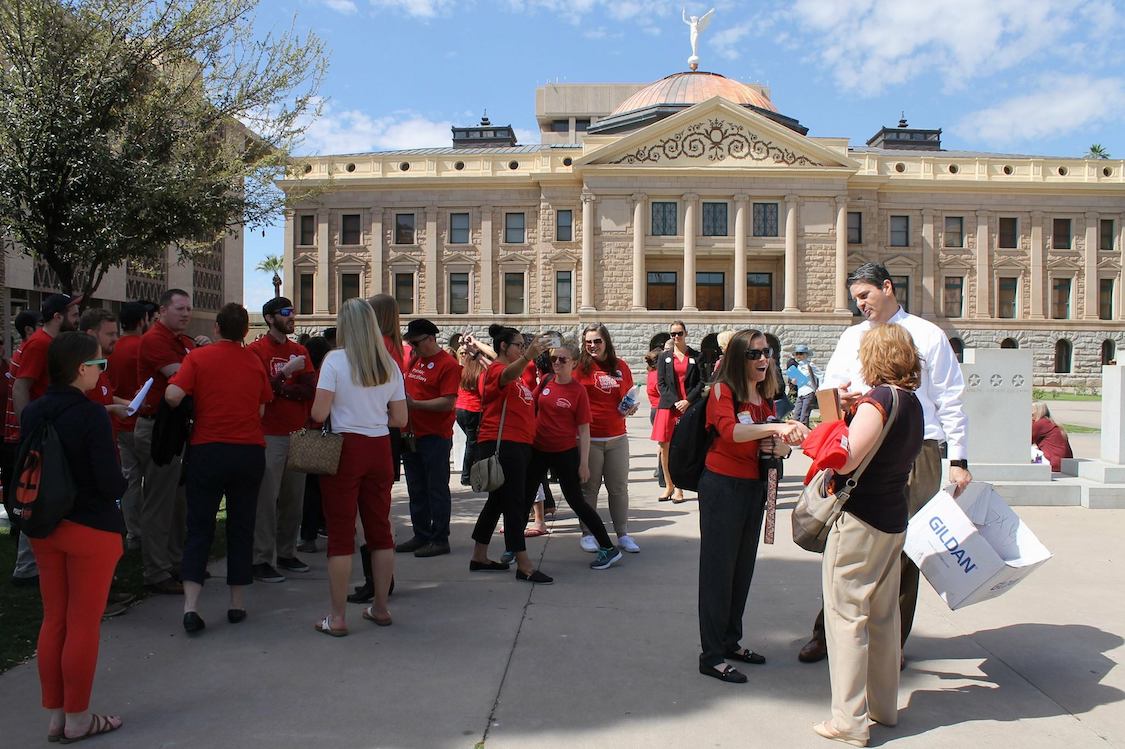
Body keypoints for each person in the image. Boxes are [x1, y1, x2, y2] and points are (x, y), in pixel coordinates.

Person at [799, 262, 971, 665]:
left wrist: (959, 459)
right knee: (846, 542)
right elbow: (827, 392)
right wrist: (835, 407)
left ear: (888, 288)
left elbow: (951, 399)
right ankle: (828, 633)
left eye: (865, 295)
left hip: (917, 450)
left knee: (907, 548)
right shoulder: (852, 337)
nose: (861, 305)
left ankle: (892, 642)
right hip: (861, 446)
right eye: (855, 299)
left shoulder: (927, 335)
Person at [813, 323, 924, 747]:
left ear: (873, 358)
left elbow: (843, 461)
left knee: (846, 618)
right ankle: (883, 707)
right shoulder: (910, 401)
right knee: (883, 616)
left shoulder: (878, 401)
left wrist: (836, 418)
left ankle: (849, 720)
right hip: (894, 518)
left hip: (860, 520)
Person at [23, 332, 127, 743]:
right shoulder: (91, 415)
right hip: (90, 527)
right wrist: (122, 485)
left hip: (46, 526)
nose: (102, 370)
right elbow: (107, 481)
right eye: (100, 364)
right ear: (82, 368)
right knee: (83, 623)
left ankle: (57, 714)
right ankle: (79, 717)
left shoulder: (34, 412)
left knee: (55, 619)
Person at [697, 330, 809, 684]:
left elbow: (768, 440)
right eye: (754, 354)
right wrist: (774, 428)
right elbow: (731, 433)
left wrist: (783, 446)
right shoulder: (722, 391)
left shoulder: (762, 396)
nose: (763, 360)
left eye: (766, 353)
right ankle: (711, 655)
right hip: (722, 488)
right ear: (736, 359)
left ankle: (731, 641)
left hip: (752, 488)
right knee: (718, 573)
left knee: (741, 569)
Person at [165, 303, 272, 633]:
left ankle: (191, 606)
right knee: (242, 526)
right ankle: (236, 602)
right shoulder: (254, 362)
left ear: (216, 328)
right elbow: (262, 409)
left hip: (207, 449)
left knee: (200, 527)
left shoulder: (198, 358)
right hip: (248, 451)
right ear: (244, 332)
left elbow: (172, 395)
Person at [310, 298, 406, 636]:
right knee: (380, 531)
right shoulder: (389, 365)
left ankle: (336, 617)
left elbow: (319, 414)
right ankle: (380, 607)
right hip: (379, 447)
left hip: (345, 448)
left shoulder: (334, 361)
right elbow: (400, 418)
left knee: (340, 534)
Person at [135, 289, 210, 595]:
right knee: (159, 503)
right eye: (180, 308)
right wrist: (203, 358)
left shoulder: (183, 341)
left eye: (189, 308)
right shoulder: (155, 340)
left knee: (177, 502)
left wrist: (200, 354)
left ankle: (176, 561)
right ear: (162, 311)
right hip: (157, 429)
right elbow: (182, 378)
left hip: (175, 429)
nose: (186, 313)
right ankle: (155, 570)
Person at [468, 324, 554, 584]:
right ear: (504, 346)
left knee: (497, 502)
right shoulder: (497, 371)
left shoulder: (515, 374)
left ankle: (479, 556)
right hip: (504, 444)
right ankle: (524, 565)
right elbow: (505, 376)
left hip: (516, 444)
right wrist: (529, 356)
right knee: (515, 503)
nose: (522, 348)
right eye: (518, 344)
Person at [528, 341, 623, 570]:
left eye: (562, 359)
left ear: (574, 362)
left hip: (564, 452)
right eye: (553, 359)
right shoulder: (547, 381)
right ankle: (513, 548)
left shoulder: (578, 391)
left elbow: (583, 429)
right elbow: (531, 403)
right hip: (539, 450)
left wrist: (583, 463)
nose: (557, 363)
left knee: (576, 502)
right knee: (524, 498)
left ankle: (608, 548)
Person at [9, 294, 81, 588]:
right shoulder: (40, 344)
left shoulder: (50, 344)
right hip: (43, 433)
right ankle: (26, 568)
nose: (78, 317)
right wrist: (31, 429)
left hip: (51, 430)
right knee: (39, 497)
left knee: (46, 496)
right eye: (74, 313)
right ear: (57, 317)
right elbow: (21, 386)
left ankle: (37, 563)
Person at [247, 297, 316, 583]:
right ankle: (261, 558)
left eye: (292, 311)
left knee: (293, 499)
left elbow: (309, 388)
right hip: (269, 434)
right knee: (266, 499)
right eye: (285, 313)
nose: (291, 317)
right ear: (269, 318)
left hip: (297, 432)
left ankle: (286, 552)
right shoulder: (256, 351)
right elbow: (260, 391)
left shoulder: (299, 350)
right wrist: (287, 377)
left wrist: (282, 388)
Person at [397, 318, 460, 558]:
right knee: (416, 488)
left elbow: (448, 401)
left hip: (435, 436)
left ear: (431, 339)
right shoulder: (416, 360)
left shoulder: (447, 364)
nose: (413, 347)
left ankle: (440, 538)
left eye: (416, 342)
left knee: (436, 489)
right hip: (412, 434)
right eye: (411, 343)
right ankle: (421, 534)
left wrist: (416, 404)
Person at [575, 324, 640, 553]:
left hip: (617, 437)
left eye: (597, 341)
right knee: (589, 489)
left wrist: (631, 406)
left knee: (619, 488)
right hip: (590, 439)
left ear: (606, 342)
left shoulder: (620, 366)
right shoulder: (579, 368)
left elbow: (628, 394)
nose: (592, 346)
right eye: (588, 342)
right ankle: (587, 533)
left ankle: (622, 534)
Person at [107, 302, 149, 548]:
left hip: (119, 421)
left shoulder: (110, 350)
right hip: (142, 422)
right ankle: (150, 529)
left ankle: (134, 532)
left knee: (131, 480)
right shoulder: (144, 348)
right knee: (153, 481)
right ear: (143, 320)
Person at [653, 320, 704, 503]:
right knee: (664, 447)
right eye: (673, 334)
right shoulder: (664, 357)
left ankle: (680, 488)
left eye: (679, 333)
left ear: (686, 333)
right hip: (669, 407)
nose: (676, 337)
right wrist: (676, 402)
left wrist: (688, 401)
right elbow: (661, 384)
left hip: (689, 407)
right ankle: (669, 485)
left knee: (682, 447)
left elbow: (701, 382)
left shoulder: (696, 356)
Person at [297, 335, 332, 554]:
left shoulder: (308, 377)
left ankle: (308, 536)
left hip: (307, 434)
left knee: (308, 490)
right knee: (324, 489)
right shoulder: (327, 376)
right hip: (327, 434)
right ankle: (326, 526)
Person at [455, 343, 487, 486]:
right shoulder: (480, 374)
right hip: (474, 409)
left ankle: (469, 473)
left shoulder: (463, 371)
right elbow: (483, 394)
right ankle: (467, 475)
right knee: (473, 443)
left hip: (460, 409)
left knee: (472, 442)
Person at [786, 344, 823, 427]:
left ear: (806, 354)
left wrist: (819, 388)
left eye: (801, 353)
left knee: (804, 416)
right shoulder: (798, 367)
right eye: (797, 354)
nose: (799, 356)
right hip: (801, 393)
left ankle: (804, 435)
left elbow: (820, 375)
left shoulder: (810, 365)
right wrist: (794, 381)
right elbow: (799, 381)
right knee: (796, 415)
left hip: (809, 392)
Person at [1031, 401, 1073, 472]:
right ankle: (1038, 465)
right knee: (1035, 448)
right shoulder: (1050, 422)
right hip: (1064, 464)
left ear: (1038, 412)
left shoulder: (1040, 424)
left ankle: (1039, 466)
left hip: (1053, 464)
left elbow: (1026, 441)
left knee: (1029, 450)